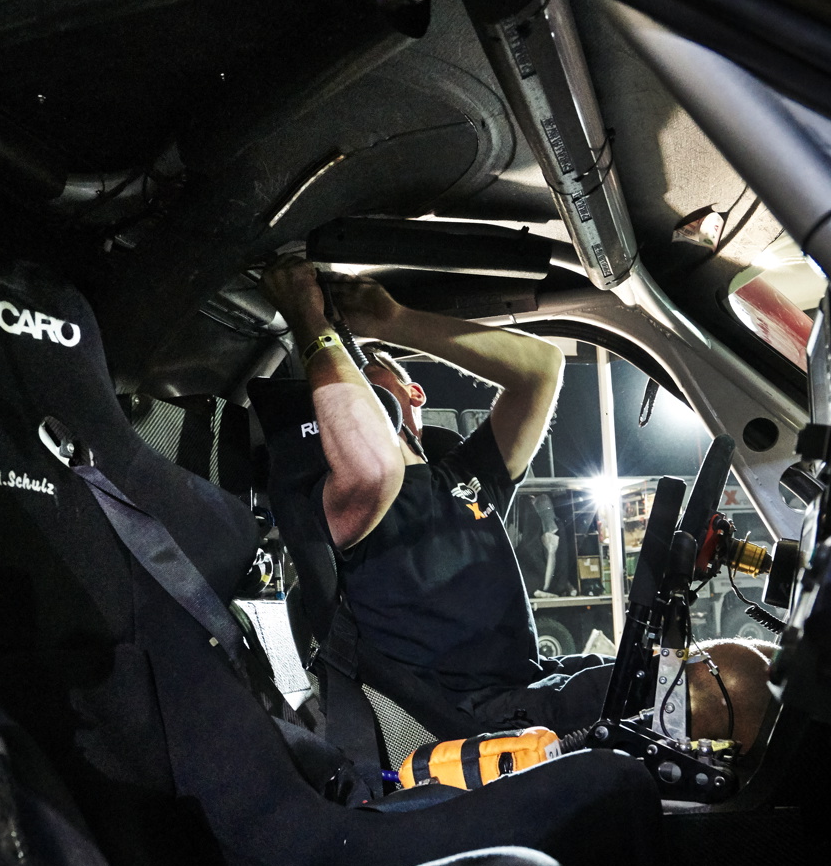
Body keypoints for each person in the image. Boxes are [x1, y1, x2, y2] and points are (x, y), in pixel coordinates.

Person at [259, 256, 769, 744]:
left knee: (759, 663)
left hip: (536, 683)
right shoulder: (346, 499)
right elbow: (373, 461)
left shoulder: (464, 475)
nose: (353, 386)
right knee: (730, 679)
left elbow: (541, 369)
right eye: (342, 383)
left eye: (366, 374)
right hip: (482, 718)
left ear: (413, 393)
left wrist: (391, 320)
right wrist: (307, 318)